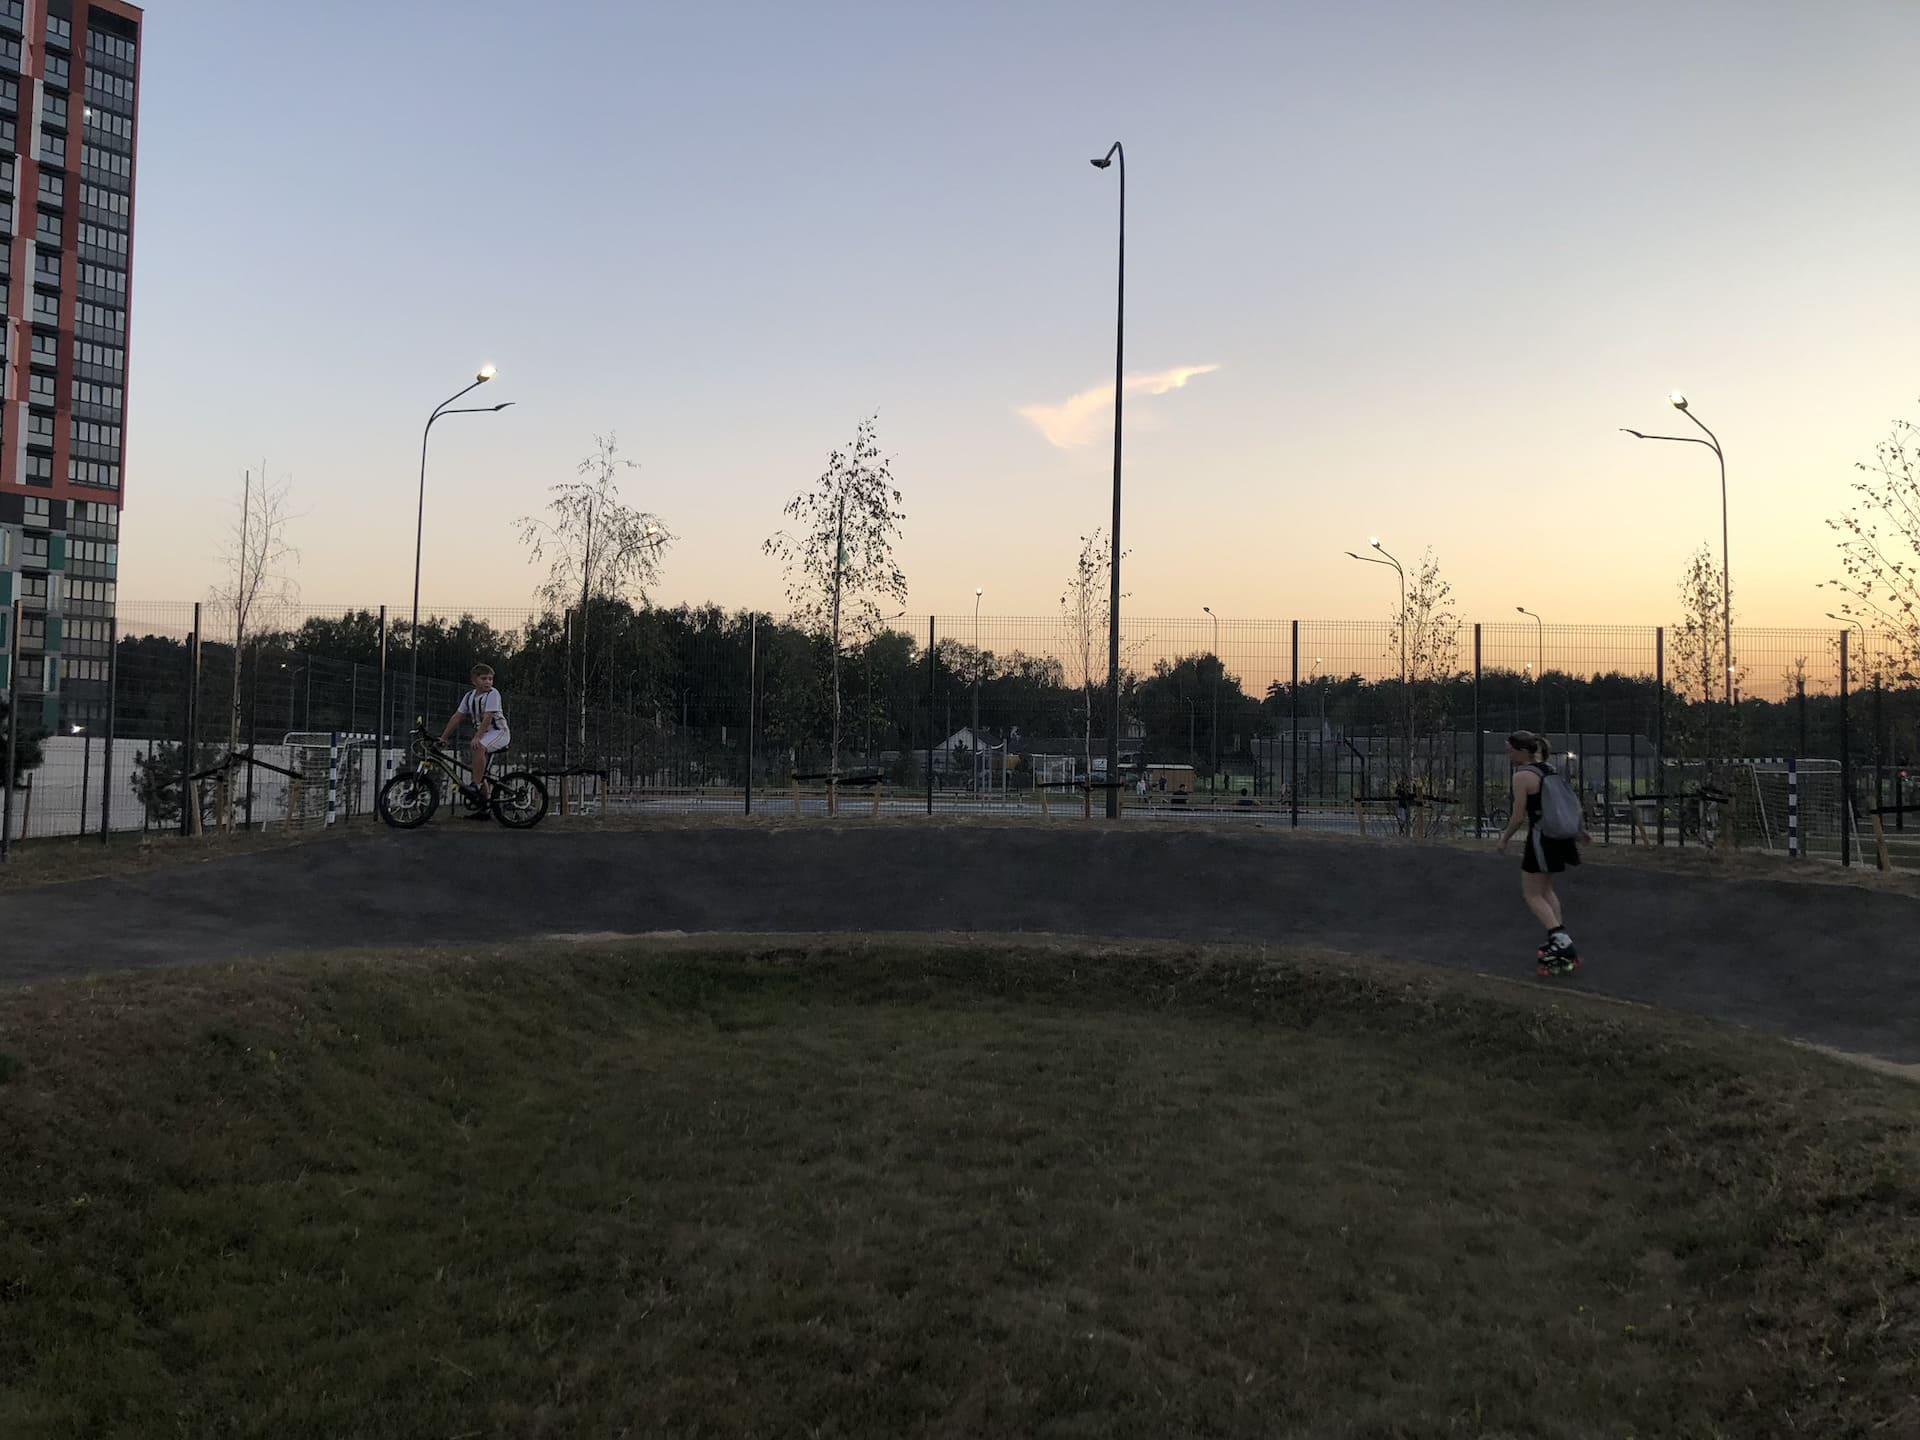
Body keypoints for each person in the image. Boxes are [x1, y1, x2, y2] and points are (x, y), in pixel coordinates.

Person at [1496, 729, 1586, 970]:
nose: (1508, 754)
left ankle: (1561, 940)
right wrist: (1580, 829)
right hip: (1559, 838)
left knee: (1531, 893)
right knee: (1546, 890)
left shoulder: (1522, 776)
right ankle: (1557, 939)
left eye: (1510, 750)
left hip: (1541, 838)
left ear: (1522, 751)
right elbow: (1571, 803)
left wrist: (1504, 839)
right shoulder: (1550, 769)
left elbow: (1517, 816)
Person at [439, 664, 510, 819]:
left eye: (490, 679)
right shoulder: (469, 697)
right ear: (474, 680)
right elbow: (457, 717)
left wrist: (477, 736)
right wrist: (443, 737)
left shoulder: (493, 694)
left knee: (479, 748)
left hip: (499, 733)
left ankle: (475, 786)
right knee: (479, 770)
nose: (488, 682)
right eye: (483, 678)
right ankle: (484, 809)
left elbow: (488, 717)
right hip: (485, 734)